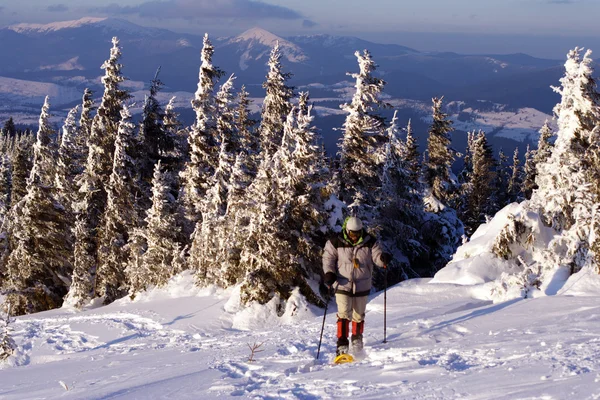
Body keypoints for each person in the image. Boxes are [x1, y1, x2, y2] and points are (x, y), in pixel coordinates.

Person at [322, 216, 392, 356]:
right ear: (347, 231)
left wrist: (382, 259)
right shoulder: (335, 242)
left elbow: (376, 256)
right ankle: (342, 344)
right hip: (342, 283)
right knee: (343, 314)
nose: (355, 236)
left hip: (362, 284)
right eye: (352, 233)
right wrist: (329, 273)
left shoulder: (370, 242)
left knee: (358, 315)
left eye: (358, 233)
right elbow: (328, 258)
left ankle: (357, 339)